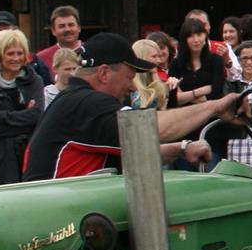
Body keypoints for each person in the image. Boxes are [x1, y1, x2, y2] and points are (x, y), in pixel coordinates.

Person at [23, 33, 233, 180]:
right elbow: (149, 126)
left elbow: (134, 147)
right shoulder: (86, 102)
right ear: (104, 73)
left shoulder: (74, 100)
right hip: (58, 220)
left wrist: (182, 149)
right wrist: (217, 106)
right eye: (129, 77)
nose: (133, 86)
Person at [0, 28, 46, 186]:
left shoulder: (35, 81)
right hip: (1, 160)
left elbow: (37, 116)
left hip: (30, 155)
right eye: (10, 54)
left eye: (20, 53)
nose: (16, 58)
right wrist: (24, 116)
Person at [170, 17, 228, 108]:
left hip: (211, 112)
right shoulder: (175, 64)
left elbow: (216, 95)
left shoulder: (216, 60)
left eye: (199, 34)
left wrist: (184, 97)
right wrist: (200, 91)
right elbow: (172, 99)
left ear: (205, 36)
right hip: (183, 113)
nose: (196, 40)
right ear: (184, 39)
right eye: (191, 36)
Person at [34, 4, 82, 71]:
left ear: (79, 28)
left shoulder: (92, 52)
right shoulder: (41, 59)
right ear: (53, 31)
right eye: (62, 26)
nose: (67, 29)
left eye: (71, 25)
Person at [130, 39, 172, 111]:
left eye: (159, 56)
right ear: (142, 58)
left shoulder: (155, 78)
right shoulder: (130, 85)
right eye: (154, 56)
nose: (159, 60)